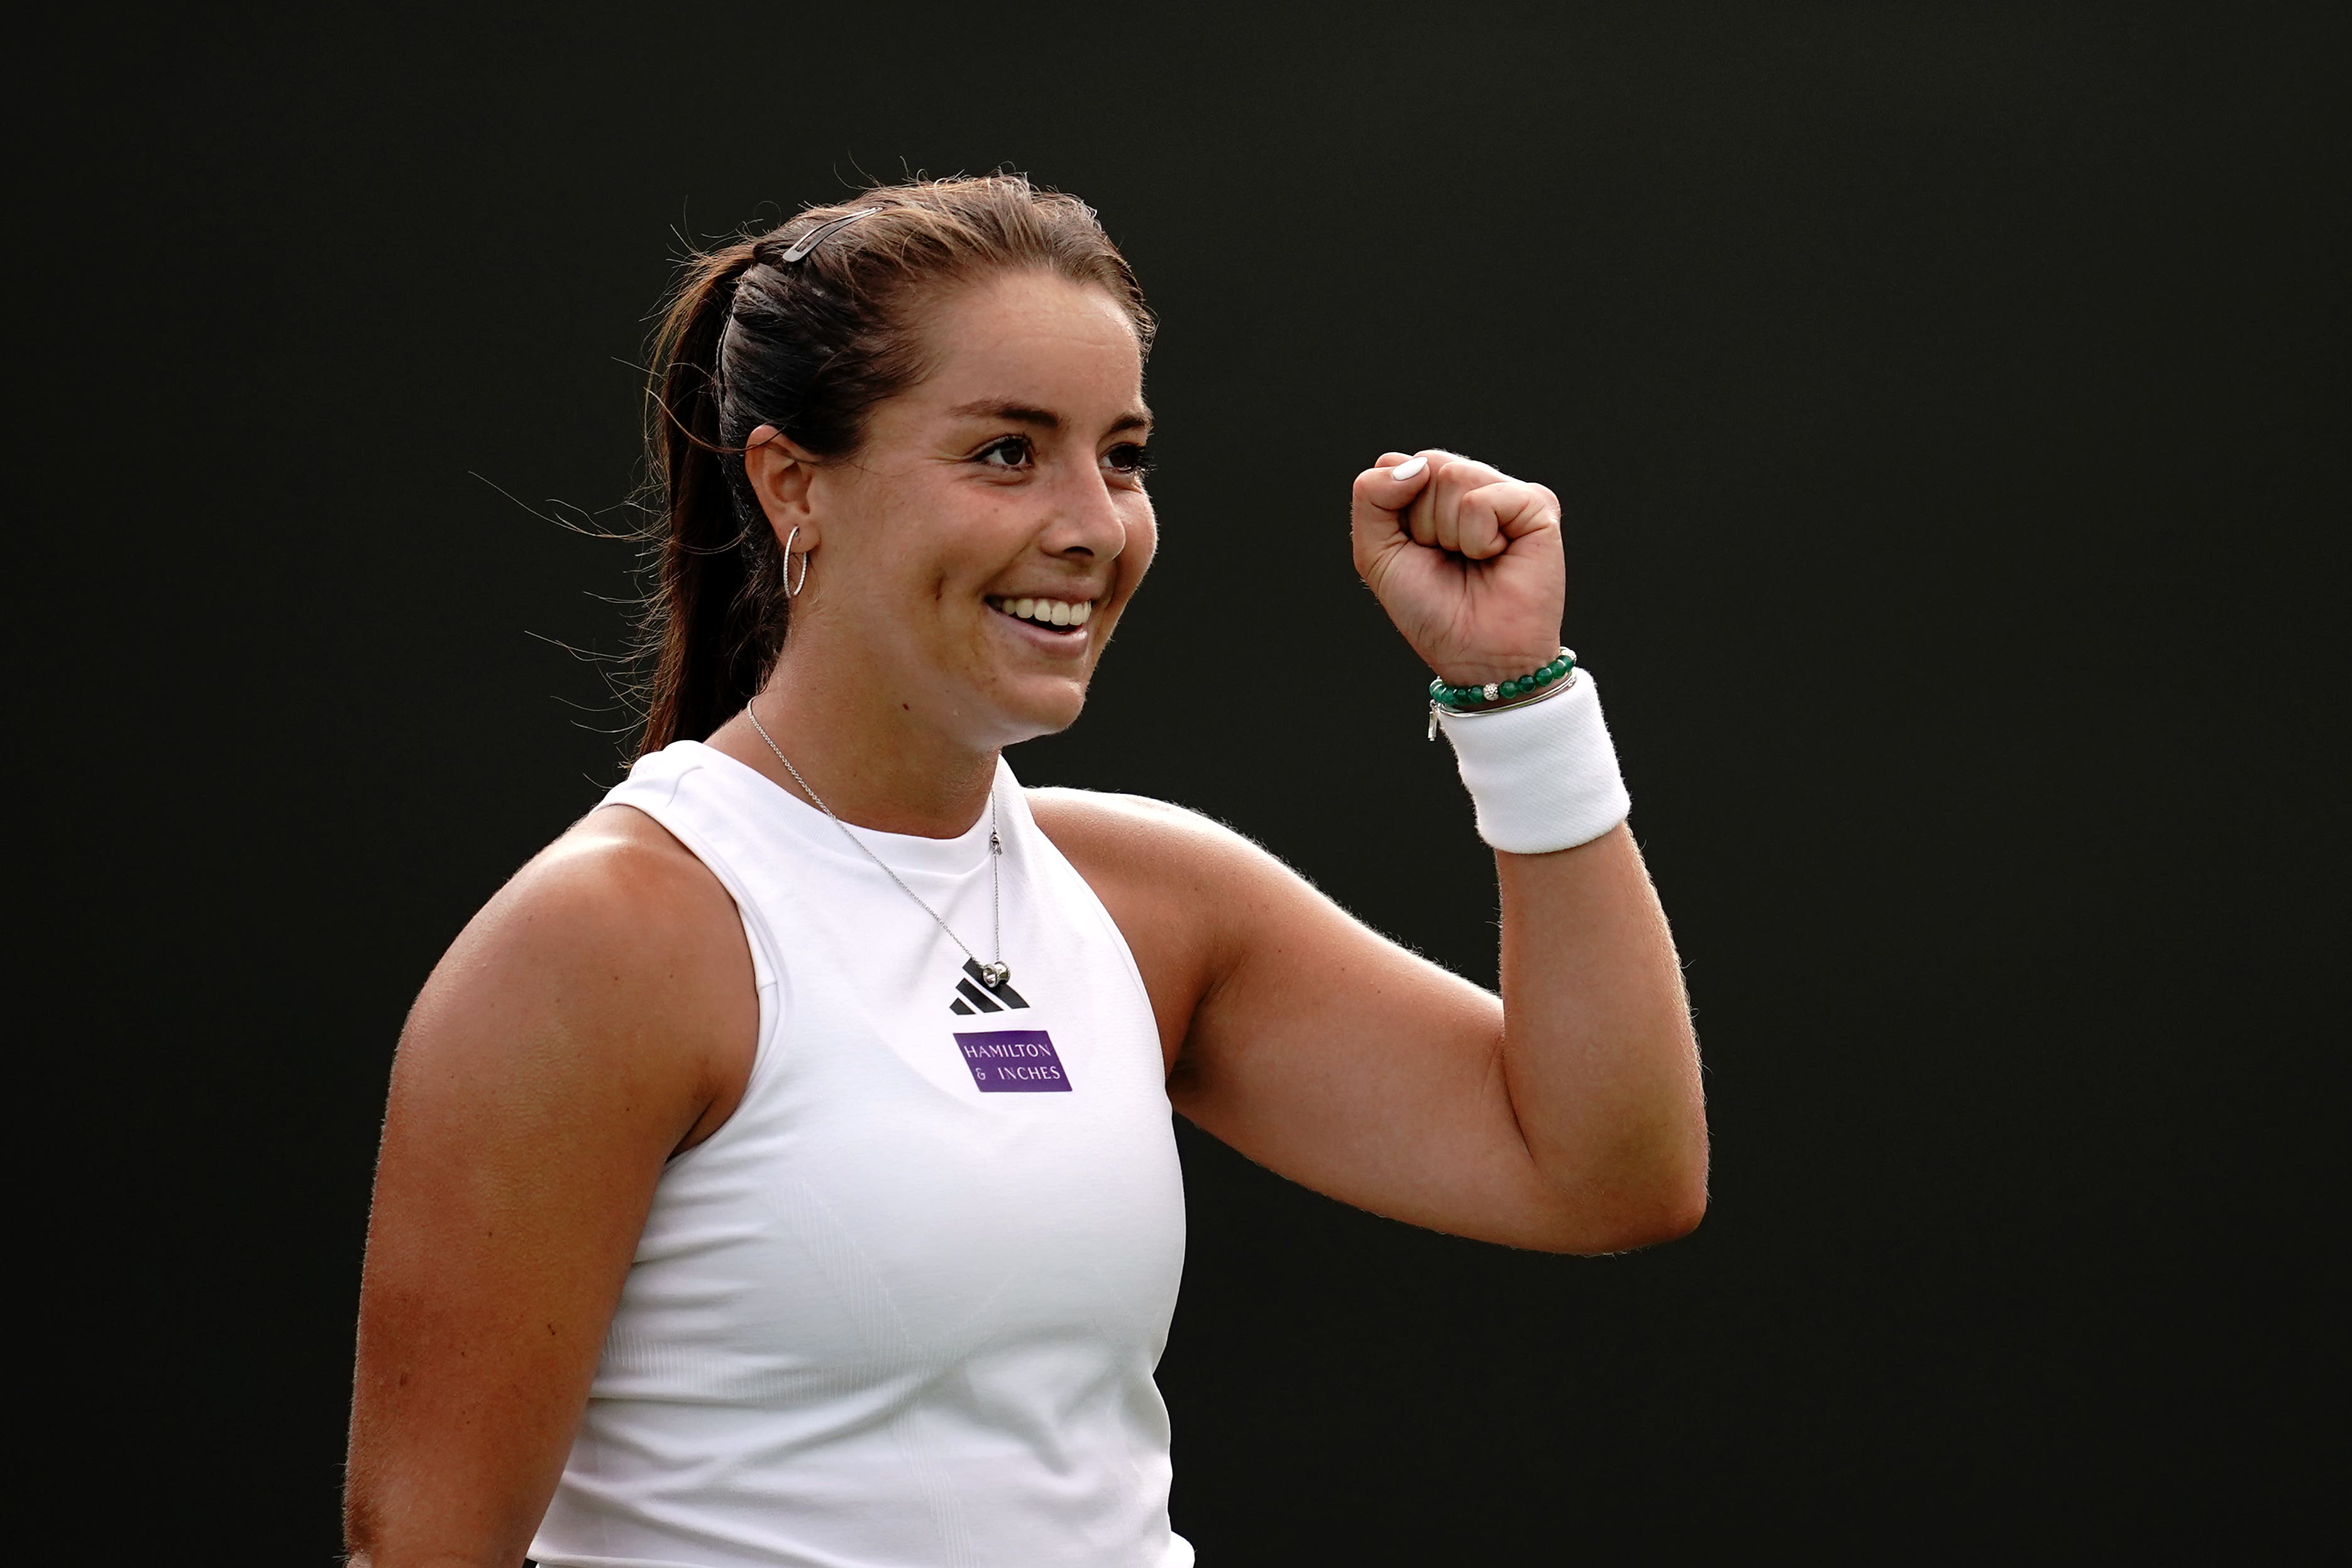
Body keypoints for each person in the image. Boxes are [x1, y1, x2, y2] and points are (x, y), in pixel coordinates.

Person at [344, 174, 1708, 1568]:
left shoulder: (1151, 901)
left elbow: (1603, 1168)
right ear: (791, 482)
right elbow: (424, 1546)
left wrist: (1516, 695)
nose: (1092, 524)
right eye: (1006, 451)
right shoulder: (608, 939)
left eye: (1120, 455)